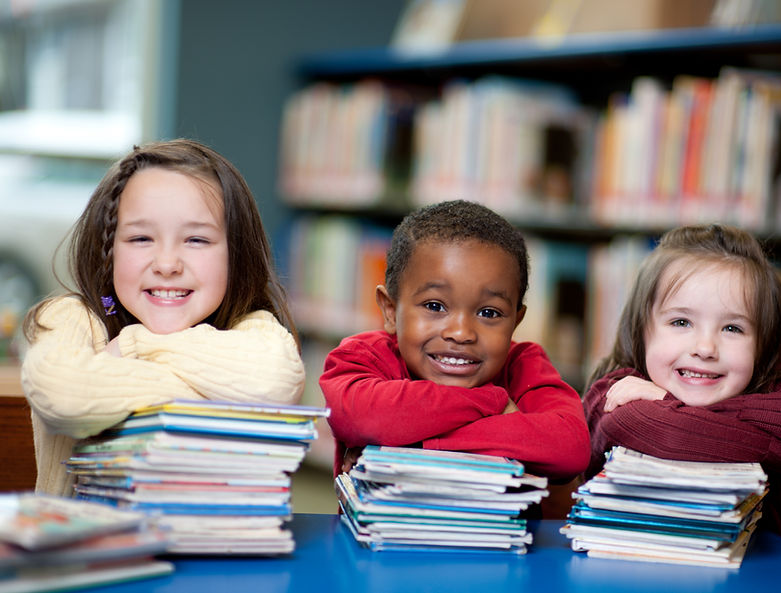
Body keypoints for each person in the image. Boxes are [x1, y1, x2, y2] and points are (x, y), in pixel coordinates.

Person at [21, 139, 305, 497]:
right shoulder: (72, 317)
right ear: (108, 251)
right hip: (85, 551)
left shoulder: (252, 328)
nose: (167, 264)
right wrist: (210, 396)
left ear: (236, 254)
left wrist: (134, 344)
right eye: (141, 238)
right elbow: (61, 394)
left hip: (212, 546)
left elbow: (276, 381)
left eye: (197, 240)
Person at [582, 223, 781, 535]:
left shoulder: (763, 379)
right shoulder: (615, 391)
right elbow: (672, 435)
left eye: (732, 328)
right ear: (641, 330)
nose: (705, 348)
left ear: (762, 344)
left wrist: (666, 401)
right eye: (681, 321)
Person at [319, 200, 591, 501]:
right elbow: (357, 417)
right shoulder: (364, 355)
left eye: (489, 313)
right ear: (390, 310)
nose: (461, 333)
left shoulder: (523, 364)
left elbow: (571, 447)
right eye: (435, 306)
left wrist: (406, 443)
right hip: (383, 545)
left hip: (497, 544)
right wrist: (491, 402)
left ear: (516, 320)